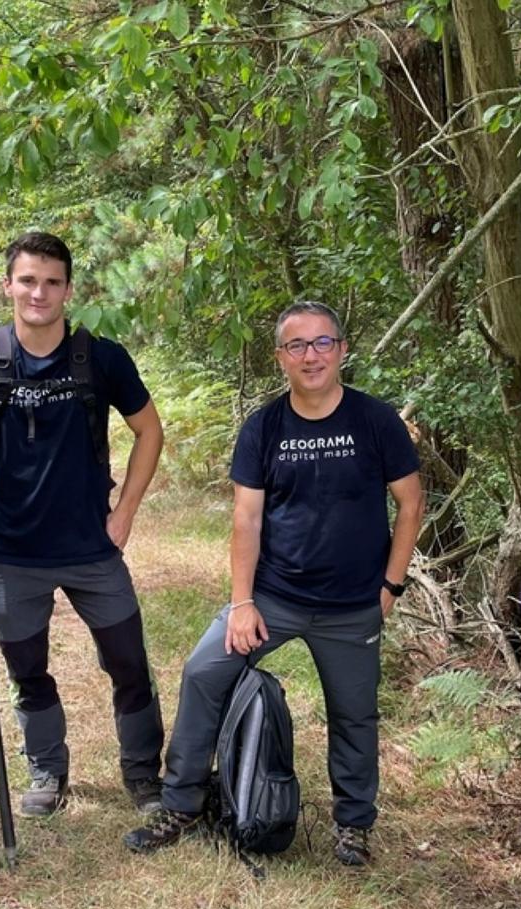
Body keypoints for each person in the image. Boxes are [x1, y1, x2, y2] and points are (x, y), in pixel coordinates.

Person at [123, 300, 424, 866]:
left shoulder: (375, 421)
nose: (311, 356)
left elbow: (410, 505)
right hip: (274, 598)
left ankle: (354, 824)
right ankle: (181, 803)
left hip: (353, 605)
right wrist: (242, 602)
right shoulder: (264, 427)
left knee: (354, 714)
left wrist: (391, 587)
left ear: (341, 350)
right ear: (280, 357)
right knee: (203, 672)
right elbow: (247, 519)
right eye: (297, 346)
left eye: (322, 343)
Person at [0, 231, 165, 818]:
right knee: (28, 670)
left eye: (51, 282)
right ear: (8, 285)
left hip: (93, 546)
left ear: (68, 289)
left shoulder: (102, 357)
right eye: (27, 280)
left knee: (129, 665)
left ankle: (144, 775)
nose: (38, 292)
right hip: (11, 551)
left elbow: (150, 430)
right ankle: (47, 770)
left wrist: (125, 513)